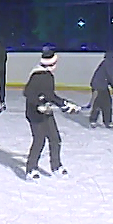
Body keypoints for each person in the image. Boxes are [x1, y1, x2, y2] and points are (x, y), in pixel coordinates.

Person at [22, 47, 81, 180]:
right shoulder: (38, 75)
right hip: (34, 114)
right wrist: (38, 104)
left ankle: (56, 166)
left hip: (46, 112)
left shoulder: (47, 75)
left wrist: (65, 104)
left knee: (55, 139)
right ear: (51, 64)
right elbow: (28, 93)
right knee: (39, 141)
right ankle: (31, 169)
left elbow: (50, 96)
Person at [88, 48, 113, 129]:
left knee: (100, 103)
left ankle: (94, 120)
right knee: (105, 103)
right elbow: (110, 76)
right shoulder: (109, 62)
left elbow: (110, 76)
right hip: (99, 85)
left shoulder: (109, 61)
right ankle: (105, 121)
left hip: (100, 85)